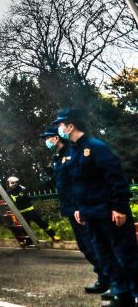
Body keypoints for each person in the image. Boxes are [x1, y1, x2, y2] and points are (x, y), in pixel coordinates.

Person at [55, 108, 138, 307]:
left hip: (109, 212)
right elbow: (76, 185)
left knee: (125, 254)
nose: (59, 129)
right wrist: (78, 209)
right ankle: (122, 293)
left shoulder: (96, 147)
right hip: (90, 213)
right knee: (105, 256)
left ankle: (136, 291)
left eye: (60, 125)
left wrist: (118, 207)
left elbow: (116, 178)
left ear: (70, 126)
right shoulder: (73, 151)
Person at [40, 125, 108, 295]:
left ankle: (110, 278)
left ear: (56, 138)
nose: (46, 142)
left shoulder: (71, 153)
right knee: (85, 246)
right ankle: (105, 277)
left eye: (48, 138)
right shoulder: (59, 157)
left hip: (79, 208)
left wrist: (79, 206)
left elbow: (79, 183)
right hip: (71, 208)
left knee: (93, 244)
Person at [5, 176, 61, 244]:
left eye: (12, 183)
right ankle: (29, 241)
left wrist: (18, 198)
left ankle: (53, 236)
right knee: (25, 227)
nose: (10, 184)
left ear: (16, 183)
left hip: (30, 211)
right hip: (21, 213)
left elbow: (20, 199)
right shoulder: (8, 192)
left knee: (41, 223)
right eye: (9, 183)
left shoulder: (22, 189)